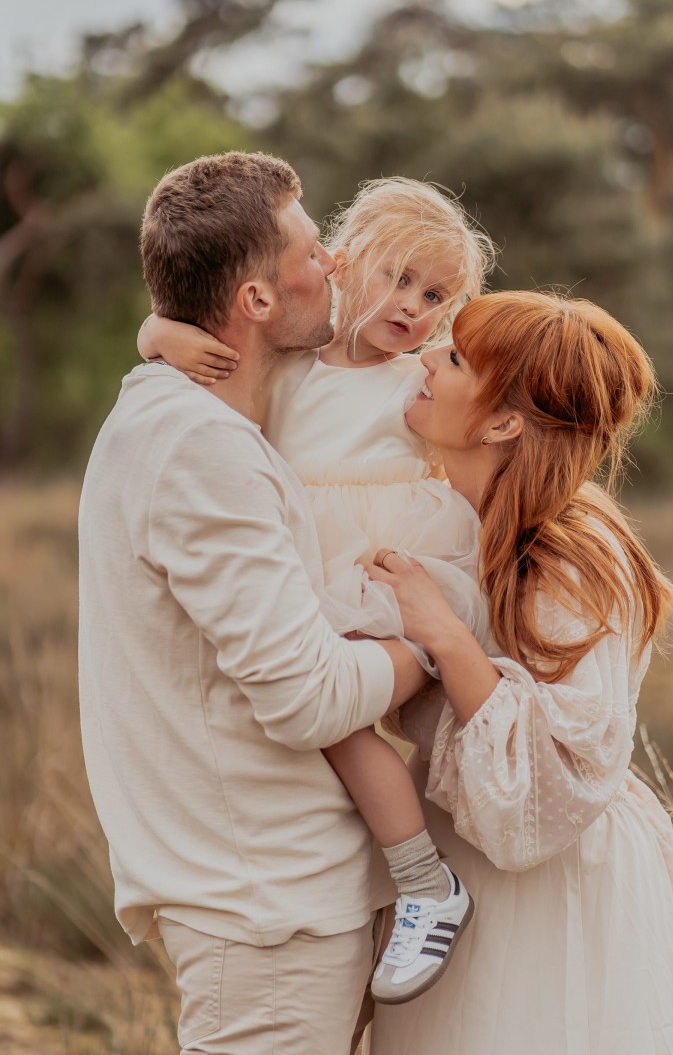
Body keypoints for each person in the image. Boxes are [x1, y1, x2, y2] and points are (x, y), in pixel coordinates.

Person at [78, 151, 429, 1055]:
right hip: (264, 910)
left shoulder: (188, 415)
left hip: (280, 894)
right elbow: (308, 696)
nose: (334, 262)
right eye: (312, 251)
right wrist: (435, 645)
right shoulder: (202, 447)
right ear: (259, 299)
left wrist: (158, 332)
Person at [137, 176, 495, 1004]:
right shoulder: (292, 362)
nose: (413, 307)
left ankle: (425, 881)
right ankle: (404, 882)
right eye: (398, 278)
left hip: (381, 568)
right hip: (303, 560)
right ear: (341, 262)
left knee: (342, 725)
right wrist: (160, 332)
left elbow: (487, 402)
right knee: (323, 729)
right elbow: (180, 333)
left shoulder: (415, 379)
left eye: (435, 296)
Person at [362, 290, 673, 1054]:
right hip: (456, 854)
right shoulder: (443, 516)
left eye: (455, 359)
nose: (424, 360)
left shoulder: (573, 555)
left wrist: (445, 635)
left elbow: (556, 773)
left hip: (552, 878)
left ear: (502, 423)